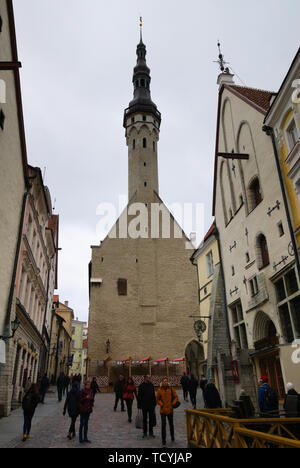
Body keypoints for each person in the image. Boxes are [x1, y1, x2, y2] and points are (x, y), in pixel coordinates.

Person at [156, 378, 178, 448]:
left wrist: (173, 403)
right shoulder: (159, 390)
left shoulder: (171, 389)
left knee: (171, 424)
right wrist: (161, 404)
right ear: (162, 382)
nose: (165, 382)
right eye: (164, 381)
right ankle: (163, 440)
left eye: (166, 381)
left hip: (170, 409)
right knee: (163, 425)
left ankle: (172, 436)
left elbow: (175, 397)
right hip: (163, 410)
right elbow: (157, 399)